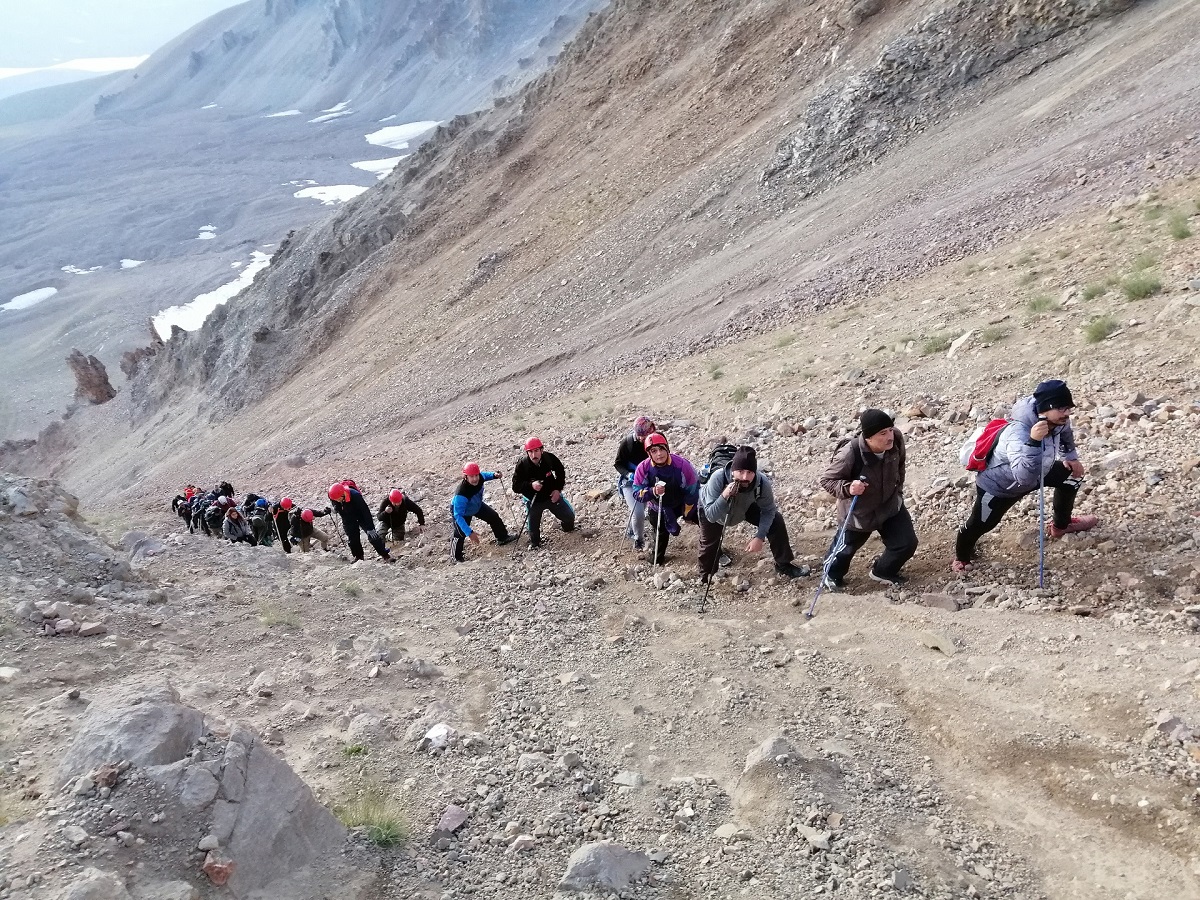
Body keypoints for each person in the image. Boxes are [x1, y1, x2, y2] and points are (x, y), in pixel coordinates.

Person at [954, 379, 1098, 572]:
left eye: (1069, 408)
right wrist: (1033, 442)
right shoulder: (1017, 434)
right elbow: (1024, 478)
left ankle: (1060, 526)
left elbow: (1066, 433)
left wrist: (1070, 457)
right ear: (1046, 408)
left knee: (1072, 476)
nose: (1068, 413)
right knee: (979, 525)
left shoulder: (1057, 419)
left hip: (1040, 470)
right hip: (1001, 486)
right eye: (1062, 409)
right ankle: (962, 557)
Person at [819, 409, 918, 590]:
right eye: (883, 433)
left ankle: (883, 571)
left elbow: (900, 467)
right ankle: (830, 575)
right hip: (859, 511)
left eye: (890, 429)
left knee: (906, 543)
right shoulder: (850, 453)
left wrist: (898, 494)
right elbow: (827, 481)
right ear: (868, 437)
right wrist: (848, 488)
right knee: (844, 550)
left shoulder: (895, 439)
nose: (890, 436)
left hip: (889, 505)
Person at [699, 445, 808, 582]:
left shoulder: (761, 483)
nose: (745, 477)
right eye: (740, 471)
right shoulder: (718, 478)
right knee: (709, 545)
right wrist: (724, 495)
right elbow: (711, 516)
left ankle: (784, 565)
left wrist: (760, 536)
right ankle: (706, 576)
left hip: (745, 506)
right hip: (712, 507)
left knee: (776, 520)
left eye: (750, 472)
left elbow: (769, 511)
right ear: (733, 470)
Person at [632, 433, 698, 565]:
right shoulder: (643, 468)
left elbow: (693, 488)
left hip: (682, 503)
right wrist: (652, 491)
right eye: (654, 451)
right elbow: (636, 493)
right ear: (649, 453)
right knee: (660, 536)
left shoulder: (682, 465)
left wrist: (688, 512)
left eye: (662, 449)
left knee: (706, 522)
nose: (659, 454)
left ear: (667, 448)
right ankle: (657, 558)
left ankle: (715, 551)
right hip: (658, 507)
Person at [512, 437, 575, 549]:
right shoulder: (522, 465)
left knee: (569, 517)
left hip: (552, 496)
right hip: (533, 500)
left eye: (536, 451)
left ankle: (567, 528)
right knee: (533, 533)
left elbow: (560, 472)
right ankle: (535, 543)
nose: (533, 454)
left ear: (542, 450)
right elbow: (516, 487)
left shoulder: (549, 458)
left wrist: (558, 490)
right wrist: (531, 485)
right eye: (530, 452)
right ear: (527, 452)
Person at [450, 463, 517, 562]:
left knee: (493, 517)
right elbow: (458, 515)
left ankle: (502, 538)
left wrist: (494, 475)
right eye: (471, 476)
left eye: (476, 475)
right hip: (463, 512)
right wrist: (470, 533)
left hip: (476, 505)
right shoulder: (461, 494)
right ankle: (455, 557)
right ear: (465, 477)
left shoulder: (480, 477)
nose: (475, 479)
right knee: (459, 534)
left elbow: (484, 475)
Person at [614, 416, 656, 550]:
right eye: (638, 435)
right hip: (630, 482)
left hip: (647, 480)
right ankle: (638, 538)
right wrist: (629, 474)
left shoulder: (656, 442)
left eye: (643, 436)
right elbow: (618, 464)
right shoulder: (627, 443)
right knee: (638, 512)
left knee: (642, 508)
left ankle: (632, 530)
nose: (640, 439)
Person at [328, 482, 393, 563]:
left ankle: (385, 555)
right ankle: (358, 557)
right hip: (347, 516)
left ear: (343, 494)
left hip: (360, 515)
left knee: (373, 535)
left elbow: (365, 511)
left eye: (338, 499)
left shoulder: (355, 495)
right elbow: (336, 505)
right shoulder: (333, 495)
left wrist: (370, 527)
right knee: (352, 538)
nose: (337, 500)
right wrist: (335, 509)